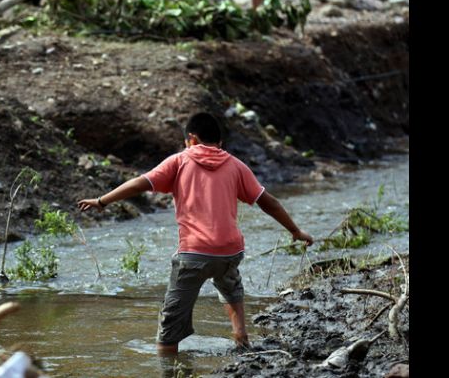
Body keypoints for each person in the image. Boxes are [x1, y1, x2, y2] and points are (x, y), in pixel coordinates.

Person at [77, 112, 313, 355]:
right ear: (219, 142)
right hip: (230, 251)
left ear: (191, 139)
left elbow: (140, 183)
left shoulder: (180, 161)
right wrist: (295, 230)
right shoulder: (236, 165)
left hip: (194, 254)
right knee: (230, 286)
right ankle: (241, 337)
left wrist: (102, 201)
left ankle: (168, 363)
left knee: (170, 324)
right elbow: (268, 202)